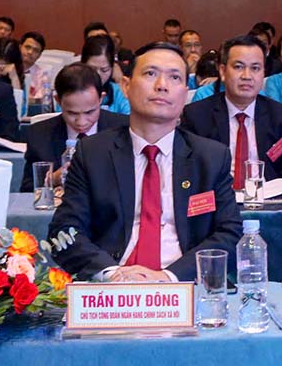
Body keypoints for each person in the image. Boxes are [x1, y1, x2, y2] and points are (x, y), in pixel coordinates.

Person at [48, 42, 242, 282]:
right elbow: (64, 231)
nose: (162, 85)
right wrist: (112, 273)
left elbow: (229, 233)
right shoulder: (93, 153)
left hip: (184, 285)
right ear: (126, 86)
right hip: (113, 287)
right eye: (150, 74)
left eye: (174, 77)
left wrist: (169, 277)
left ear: (185, 94)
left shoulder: (210, 157)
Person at [182, 35, 282, 184]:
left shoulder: (280, 116)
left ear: (263, 73)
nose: (247, 76)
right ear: (222, 71)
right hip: (218, 195)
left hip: (269, 194)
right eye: (238, 67)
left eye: (255, 68)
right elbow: (188, 172)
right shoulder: (197, 115)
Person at [21, 63, 130, 192]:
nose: (81, 122)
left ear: (101, 98)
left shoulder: (124, 128)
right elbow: (26, 190)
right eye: (72, 113)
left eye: (89, 112)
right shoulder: (39, 134)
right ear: (58, 100)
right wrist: (52, 179)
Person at [80, 35, 131, 115]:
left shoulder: (120, 93)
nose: (98, 74)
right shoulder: (70, 89)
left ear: (112, 68)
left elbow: (129, 119)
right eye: (92, 69)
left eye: (104, 70)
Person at [20, 31, 49, 105]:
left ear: (39, 55)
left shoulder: (42, 74)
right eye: (27, 47)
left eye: (36, 50)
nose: (30, 52)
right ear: (20, 47)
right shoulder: (8, 69)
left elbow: (40, 101)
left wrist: (23, 101)